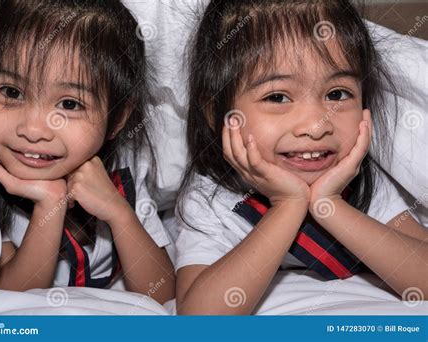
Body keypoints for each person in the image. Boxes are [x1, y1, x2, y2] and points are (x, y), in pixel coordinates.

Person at [175, 0, 427, 314]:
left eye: (337, 94)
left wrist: (330, 203)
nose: (315, 126)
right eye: (277, 97)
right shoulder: (213, 198)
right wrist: (287, 204)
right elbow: (201, 319)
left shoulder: (362, 181)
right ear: (217, 112)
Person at [0, 0, 174, 304]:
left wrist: (118, 213)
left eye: (69, 104)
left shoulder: (122, 166)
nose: (34, 130)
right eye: (11, 92)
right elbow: (3, 306)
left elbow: (166, 295)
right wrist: (49, 203)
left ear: (117, 119)